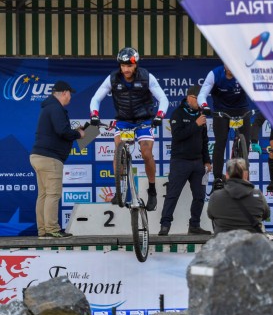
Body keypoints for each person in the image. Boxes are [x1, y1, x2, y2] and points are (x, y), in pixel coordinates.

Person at [90, 47, 168, 212]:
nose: (126, 69)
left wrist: (159, 116)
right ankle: (119, 190)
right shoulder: (113, 78)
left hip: (144, 120)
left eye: (129, 66)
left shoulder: (146, 76)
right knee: (118, 149)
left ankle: (152, 191)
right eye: (123, 65)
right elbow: (96, 98)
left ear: (135, 65)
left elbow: (163, 98)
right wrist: (94, 115)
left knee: (146, 153)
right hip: (124, 121)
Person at [30, 81, 84, 238]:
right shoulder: (56, 108)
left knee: (44, 195)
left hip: (38, 156)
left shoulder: (49, 107)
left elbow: (59, 131)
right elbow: (62, 131)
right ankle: (52, 229)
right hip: (49, 158)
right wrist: (78, 134)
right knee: (52, 195)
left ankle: (43, 231)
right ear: (65, 93)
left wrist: (73, 131)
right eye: (70, 95)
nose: (70, 98)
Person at [159, 85, 212, 236]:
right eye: (198, 99)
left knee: (200, 196)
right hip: (180, 161)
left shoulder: (201, 115)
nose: (201, 102)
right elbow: (178, 136)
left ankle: (194, 226)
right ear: (189, 98)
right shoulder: (177, 113)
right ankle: (165, 224)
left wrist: (207, 161)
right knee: (172, 194)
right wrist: (195, 124)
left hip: (198, 163)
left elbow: (204, 140)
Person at [197, 63, 258, 191]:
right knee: (221, 142)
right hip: (221, 111)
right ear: (224, 65)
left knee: (246, 142)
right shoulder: (215, 74)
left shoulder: (243, 72)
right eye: (228, 64)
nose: (231, 68)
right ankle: (218, 177)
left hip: (242, 110)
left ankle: (243, 174)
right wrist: (205, 106)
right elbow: (202, 94)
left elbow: (256, 88)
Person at [207, 158, 269, 234]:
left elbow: (211, 215)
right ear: (246, 174)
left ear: (227, 175)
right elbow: (266, 215)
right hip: (252, 243)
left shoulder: (215, 196)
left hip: (224, 243)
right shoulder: (258, 195)